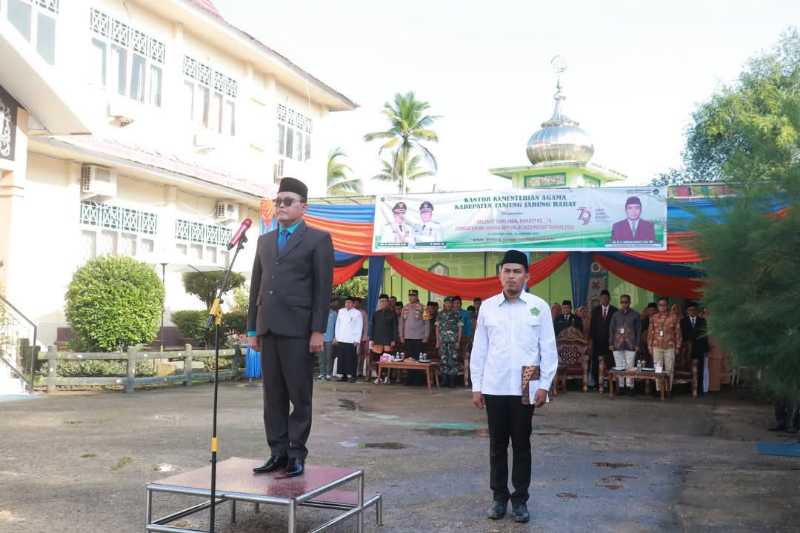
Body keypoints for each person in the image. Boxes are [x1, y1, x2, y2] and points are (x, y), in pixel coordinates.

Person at [247, 176, 334, 478]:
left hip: (299, 330)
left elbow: (323, 289)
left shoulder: (318, 239)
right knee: (272, 397)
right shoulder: (264, 241)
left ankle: (297, 453)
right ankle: (277, 452)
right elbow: (256, 286)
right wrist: (251, 329)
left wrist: (318, 330)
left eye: (287, 202)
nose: (281, 206)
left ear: (303, 207)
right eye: (278, 201)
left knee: (299, 395)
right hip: (268, 328)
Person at [470, 250, 557, 524]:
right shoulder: (487, 307)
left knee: (521, 444)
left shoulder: (538, 306)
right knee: (497, 445)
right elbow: (479, 349)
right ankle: (499, 498)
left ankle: (520, 500)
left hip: (526, 382)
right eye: (507, 271)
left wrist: (545, 385)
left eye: (517, 271)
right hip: (495, 383)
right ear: (500, 275)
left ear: (527, 276)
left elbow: (548, 348)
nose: (511, 276)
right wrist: (477, 385)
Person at [647, 297, 682, 393]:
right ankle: (659, 390)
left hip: (669, 346)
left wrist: (678, 346)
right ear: (658, 306)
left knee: (669, 369)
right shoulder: (653, 317)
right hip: (656, 346)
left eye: (664, 305)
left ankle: (667, 390)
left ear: (667, 306)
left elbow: (678, 332)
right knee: (658, 369)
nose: (662, 307)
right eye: (660, 305)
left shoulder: (673, 317)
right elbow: (650, 333)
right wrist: (649, 346)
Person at [608, 294, 641, 394]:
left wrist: (637, 344)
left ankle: (630, 387)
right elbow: (611, 329)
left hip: (631, 344)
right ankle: (621, 387)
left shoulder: (635, 315)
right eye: (622, 302)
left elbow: (638, 330)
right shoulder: (615, 314)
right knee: (619, 366)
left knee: (630, 366)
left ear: (629, 302)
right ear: (620, 303)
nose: (624, 304)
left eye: (626, 302)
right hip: (617, 345)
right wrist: (611, 343)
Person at [589, 290, 617, 388]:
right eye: (602, 298)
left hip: (610, 342)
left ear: (609, 299)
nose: (604, 300)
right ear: (600, 299)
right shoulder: (595, 310)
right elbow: (592, 327)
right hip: (597, 342)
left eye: (606, 298)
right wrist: (591, 340)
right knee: (596, 362)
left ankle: (611, 384)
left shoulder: (615, 311)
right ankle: (597, 383)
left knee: (610, 362)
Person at [681, 302, 709, 396]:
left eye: (694, 310)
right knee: (687, 369)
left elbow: (705, 335)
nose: (692, 312)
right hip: (687, 349)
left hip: (699, 348)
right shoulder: (683, 321)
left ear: (697, 311)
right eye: (690, 310)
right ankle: (687, 389)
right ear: (687, 311)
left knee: (700, 369)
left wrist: (706, 349)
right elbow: (682, 335)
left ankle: (699, 390)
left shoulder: (702, 321)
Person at [333, 296, 362, 383]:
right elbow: (337, 325)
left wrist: (357, 339)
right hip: (341, 338)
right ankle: (343, 375)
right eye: (346, 302)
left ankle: (352, 376)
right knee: (341, 358)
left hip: (351, 339)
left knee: (351, 358)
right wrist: (336, 337)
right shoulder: (341, 311)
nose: (347, 304)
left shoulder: (357, 313)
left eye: (349, 303)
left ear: (353, 304)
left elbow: (359, 326)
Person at [370, 294, 398, 383]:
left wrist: (393, 339)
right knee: (378, 359)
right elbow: (373, 327)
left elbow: (395, 328)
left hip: (388, 340)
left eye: (385, 301)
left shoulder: (392, 314)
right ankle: (379, 377)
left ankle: (387, 377)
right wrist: (372, 339)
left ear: (388, 302)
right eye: (381, 301)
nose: (383, 303)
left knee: (387, 359)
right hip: (377, 340)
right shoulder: (376, 314)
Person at [435, 297, 463, 387]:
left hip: (453, 341)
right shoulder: (440, 314)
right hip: (443, 341)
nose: (448, 304)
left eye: (450, 303)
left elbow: (460, 328)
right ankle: (444, 380)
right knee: (443, 360)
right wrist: (437, 341)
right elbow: (437, 328)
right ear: (444, 303)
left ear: (452, 304)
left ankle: (452, 381)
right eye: (446, 303)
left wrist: (458, 341)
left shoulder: (456, 314)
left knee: (453, 360)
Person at [399, 289, 429, 359]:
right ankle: (409, 370)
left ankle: (418, 370)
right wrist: (401, 335)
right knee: (409, 357)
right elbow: (401, 323)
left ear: (417, 296)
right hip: (407, 337)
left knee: (418, 357)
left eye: (413, 296)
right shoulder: (405, 307)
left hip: (419, 337)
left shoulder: (424, 307)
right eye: (410, 296)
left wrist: (426, 336)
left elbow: (427, 322)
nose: (411, 297)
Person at [318, 299, 338, 380]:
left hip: (330, 338)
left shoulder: (334, 314)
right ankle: (322, 373)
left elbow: (337, 326)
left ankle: (328, 373)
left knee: (329, 356)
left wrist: (335, 337)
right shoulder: (320, 313)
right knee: (321, 357)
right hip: (321, 338)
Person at [453, 296, 473, 372]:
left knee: (464, 356)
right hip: (452, 338)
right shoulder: (449, 313)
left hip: (464, 337)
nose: (456, 305)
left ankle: (464, 377)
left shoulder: (466, 313)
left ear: (461, 304)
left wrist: (468, 337)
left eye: (458, 303)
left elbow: (469, 326)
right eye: (455, 303)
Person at [354, 297, 369, 379]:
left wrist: (364, 336)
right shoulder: (351, 312)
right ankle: (352, 370)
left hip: (360, 337)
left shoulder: (363, 313)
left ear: (360, 304)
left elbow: (366, 325)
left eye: (357, 303)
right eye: (354, 302)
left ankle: (359, 371)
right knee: (352, 355)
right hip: (351, 338)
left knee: (360, 355)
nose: (355, 304)